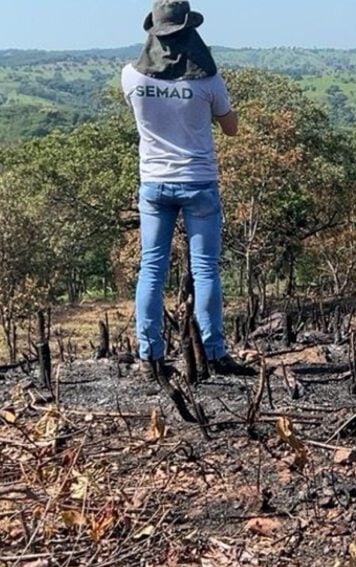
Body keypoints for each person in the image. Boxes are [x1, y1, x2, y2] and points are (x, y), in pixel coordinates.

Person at [122, 0, 244, 379]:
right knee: (205, 269)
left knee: (152, 269)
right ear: (190, 30)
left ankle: (150, 354)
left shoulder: (132, 77)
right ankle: (213, 351)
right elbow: (231, 128)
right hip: (199, 182)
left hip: (154, 184)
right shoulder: (208, 80)